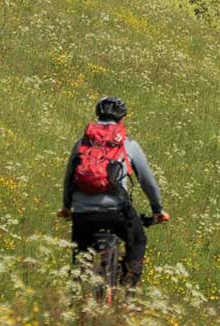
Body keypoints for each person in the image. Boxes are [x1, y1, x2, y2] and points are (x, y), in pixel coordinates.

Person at [58, 96, 167, 286]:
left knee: (80, 257)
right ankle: (127, 292)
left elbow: (69, 178)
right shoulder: (128, 144)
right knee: (138, 240)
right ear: (122, 119)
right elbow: (147, 181)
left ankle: (77, 298)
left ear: (97, 116)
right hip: (116, 211)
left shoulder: (82, 143)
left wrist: (67, 208)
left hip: (83, 213)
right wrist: (157, 210)